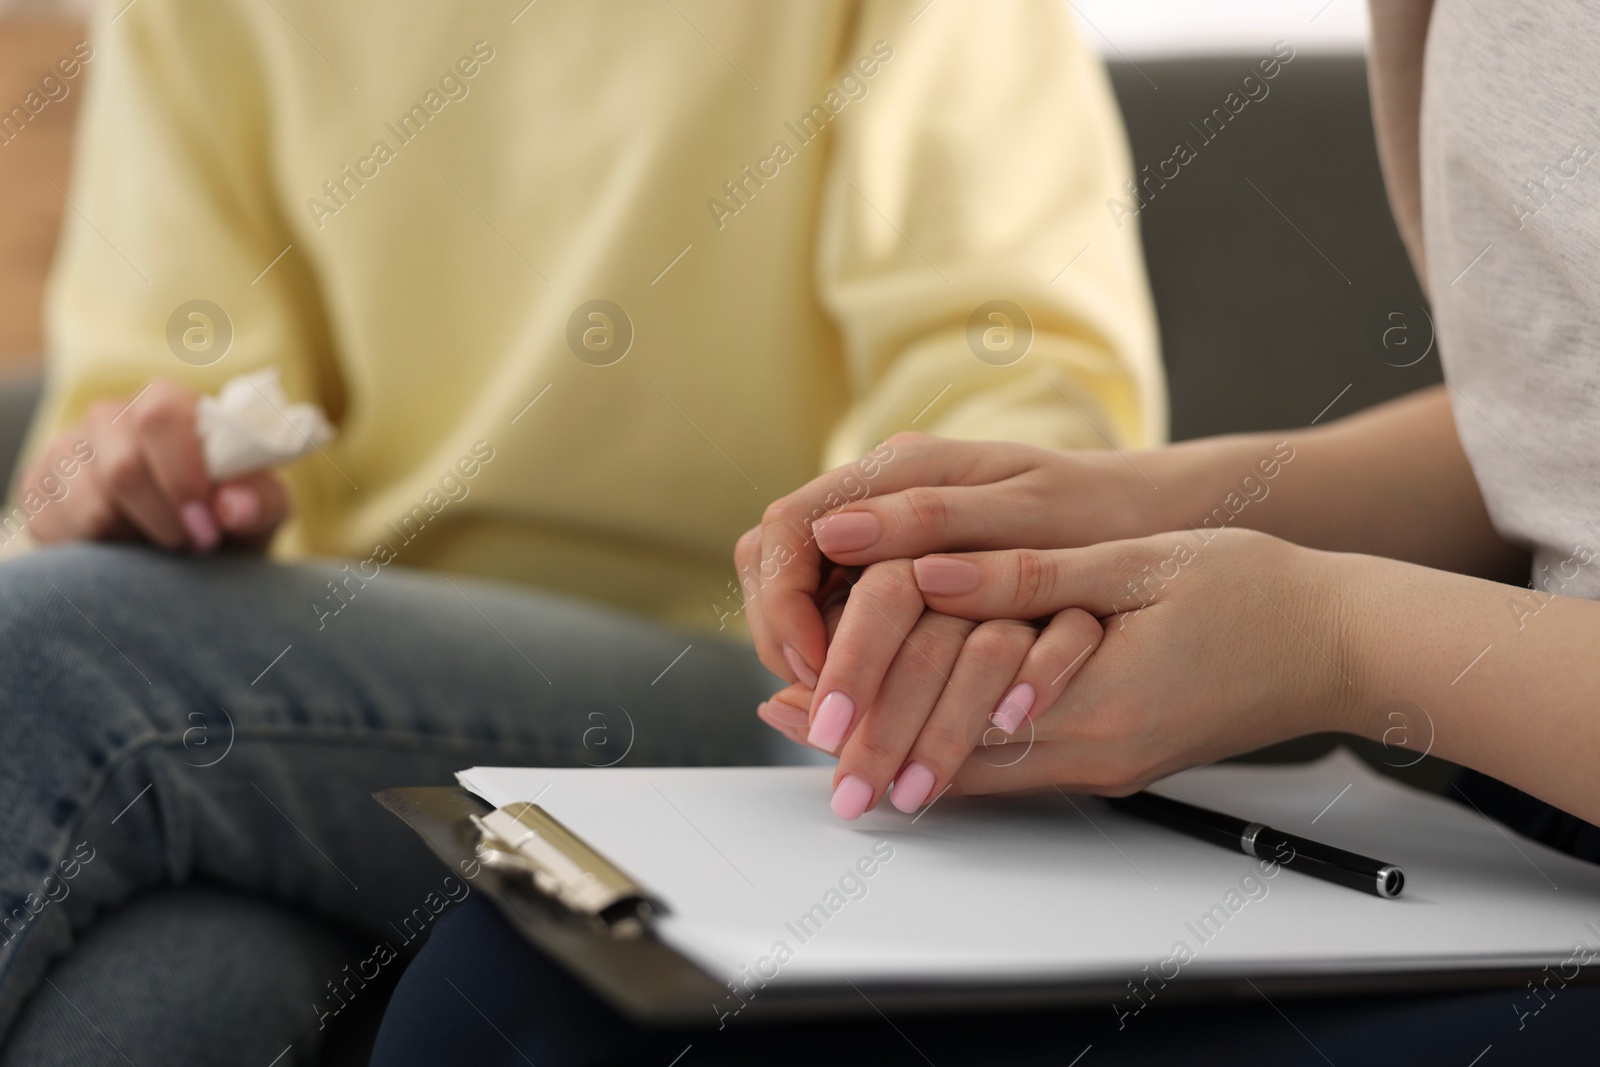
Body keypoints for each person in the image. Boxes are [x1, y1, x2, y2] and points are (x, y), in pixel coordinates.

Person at [370, 0, 1600, 1062]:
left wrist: (1332, 636)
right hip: (1520, 806)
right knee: (528, 980)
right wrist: (1135, 505)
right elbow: (1554, 432)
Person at [0, 0, 1161, 1061]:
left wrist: (910, 563)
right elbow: (121, 417)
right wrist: (122, 482)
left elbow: (1018, 382)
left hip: (758, 685)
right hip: (311, 718)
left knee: (52, 652)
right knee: (147, 1003)